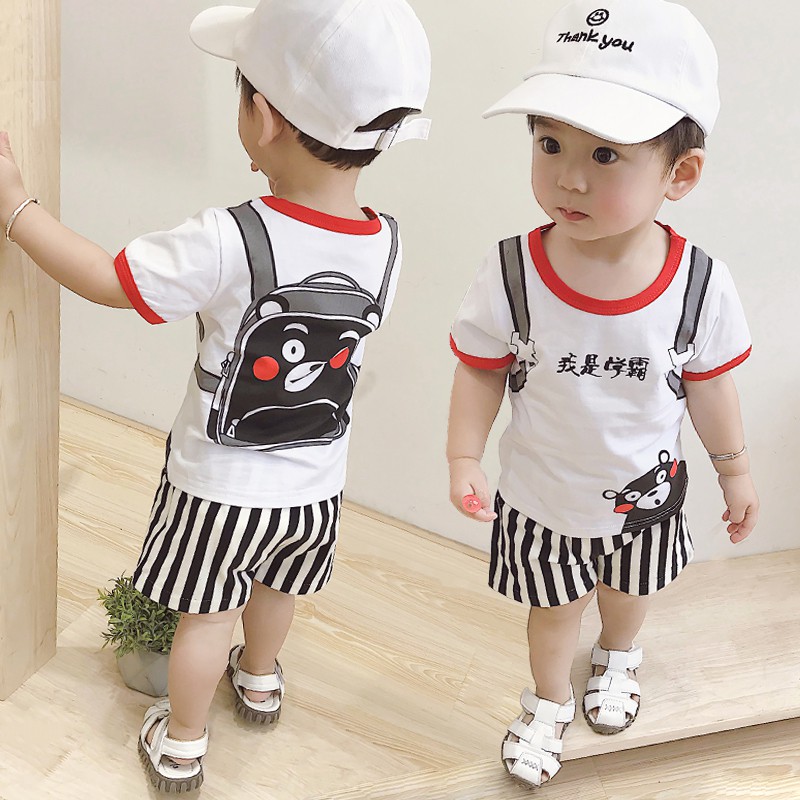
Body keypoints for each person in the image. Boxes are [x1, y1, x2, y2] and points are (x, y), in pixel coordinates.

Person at [0, 0, 431, 791]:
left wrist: (18, 209)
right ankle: (260, 679)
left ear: (261, 117)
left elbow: (109, 280)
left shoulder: (230, 237)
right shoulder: (389, 243)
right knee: (277, 589)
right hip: (316, 489)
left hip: (218, 489)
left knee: (204, 618)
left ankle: (183, 743)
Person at [446, 0, 758, 789]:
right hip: (542, 499)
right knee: (552, 611)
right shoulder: (513, 270)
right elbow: (481, 365)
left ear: (680, 174)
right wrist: (463, 455)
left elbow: (708, 382)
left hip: (645, 502)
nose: (569, 177)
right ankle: (548, 700)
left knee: (628, 592)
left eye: (607, 154)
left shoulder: (697, 285)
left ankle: (617, 656)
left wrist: (734, 470)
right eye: (550, 143)